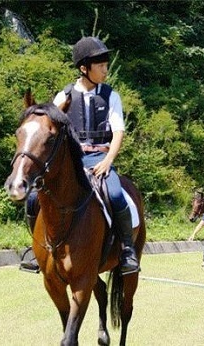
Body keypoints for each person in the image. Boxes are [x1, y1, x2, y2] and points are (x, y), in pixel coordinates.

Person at [22, 36, 139, 275]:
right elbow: (48, 131)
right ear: (84, 68)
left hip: (100, 159)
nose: (106, 69)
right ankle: (36, 249)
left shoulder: (110, 96)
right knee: (34, 198)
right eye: (101, 65)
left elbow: (118, 133)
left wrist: (108, 161)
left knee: (116, 194)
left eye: (106, 64)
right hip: (72, 162)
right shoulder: (63, 97)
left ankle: (127, 249)